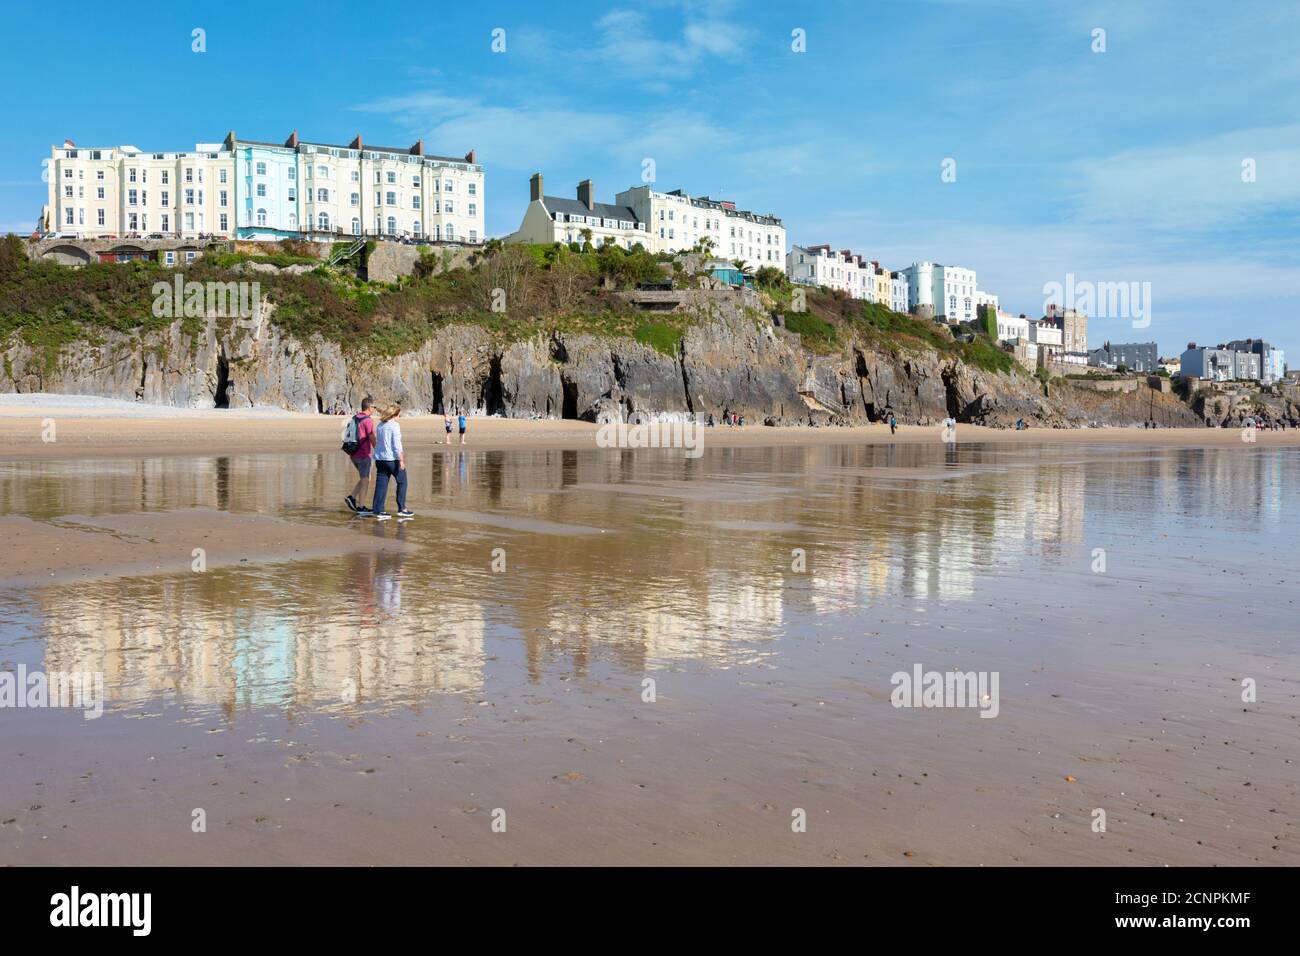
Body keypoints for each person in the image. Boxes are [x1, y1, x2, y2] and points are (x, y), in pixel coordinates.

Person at [372, 403, 413, 520]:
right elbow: (397, 445)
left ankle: (378, 509)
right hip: (392, 459)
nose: (399, 417)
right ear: (394, 415)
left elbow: (379, 442)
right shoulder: (394, 426)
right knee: (402, 481)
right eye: (399, 414)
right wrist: (401, 460)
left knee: (381, 484)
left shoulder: (380, 425)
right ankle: (402, 509)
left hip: (380, 459)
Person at [344, 396, 377, 515]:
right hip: (364, 454)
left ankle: (352, 497)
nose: (374, 409)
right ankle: (361, 507)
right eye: (374, 407)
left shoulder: (355, 418)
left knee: (365, 478)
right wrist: (378, 450)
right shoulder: (368, 420)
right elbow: (371, 436)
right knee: (365, 479)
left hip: (353, 454)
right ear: (369, 407)